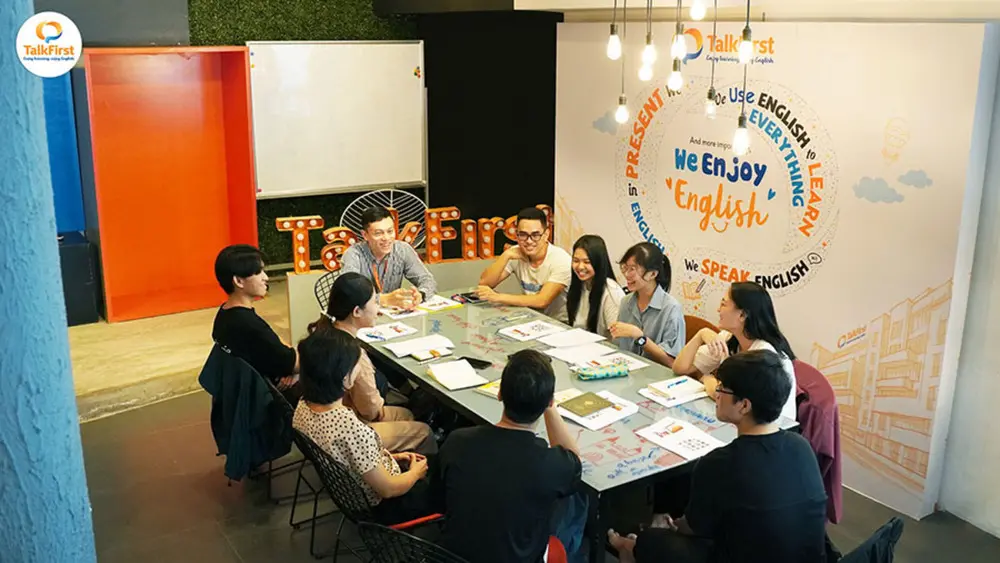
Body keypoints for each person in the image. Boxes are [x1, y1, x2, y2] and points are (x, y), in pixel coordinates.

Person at [607, 350, 828, 563]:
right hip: (806, 557)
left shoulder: (721, 462)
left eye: (723, 389)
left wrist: (673, 525)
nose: (717, 394)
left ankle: (629, 548)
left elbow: (693, 529)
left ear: (744, 405)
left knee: (652, 539)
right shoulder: (801, 446)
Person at [430, 350, 585, 563]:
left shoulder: (457, 441)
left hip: (452, 558)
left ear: (500, 393)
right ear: (549, 402)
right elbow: (574, 459)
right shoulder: (552, 465)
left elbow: (438, 501)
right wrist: (549, 405)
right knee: (575, 498)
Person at [292, 329, 434, 525]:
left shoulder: (303, 406)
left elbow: (350, 458)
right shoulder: (350, 429)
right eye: (356, 365)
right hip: (384, 506)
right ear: (345, 378)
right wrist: (415, 473)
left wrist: (389, 457)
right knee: (446, 476)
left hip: (352, 495)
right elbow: (388, 489)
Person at [308, 272, 436, 455]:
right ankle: (410, 468)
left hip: (323, 421)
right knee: (424, 432)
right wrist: (378, 407)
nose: (378, 308)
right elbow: (370, 411)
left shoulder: (321, 332)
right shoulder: (354, 355)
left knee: (407, 414)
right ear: (356, 311)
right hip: (349, 430)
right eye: (375, 302)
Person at [672, 281, 798, 421]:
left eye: (723, 304)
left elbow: (730, 400)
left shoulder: (764, 354)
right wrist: (701, 334)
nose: (718, 310)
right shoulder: (729, 338)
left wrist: (706, 379)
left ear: (742, 315)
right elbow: (680, 368)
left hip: (770, 427)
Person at [211, 245, 299, 393]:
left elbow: (277, 347)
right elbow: (294, 363)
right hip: (266, 398)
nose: (266, 278)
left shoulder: (225, 314)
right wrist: (293, 369)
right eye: (258, 272)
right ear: (239, 281)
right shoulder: (249, 325)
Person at [475, 207, 573, 322]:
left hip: (559, 323)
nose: (529, 241)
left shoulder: (561, 259)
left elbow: (542, 300)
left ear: (546, 234)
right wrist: (505, 255)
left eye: (535, 235)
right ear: (516, 235)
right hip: (531, 318)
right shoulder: (515, 253)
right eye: (523, 235)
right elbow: (485, 283)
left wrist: (497, 297)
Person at [341, 206, 437, 311]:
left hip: (392, 315)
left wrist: (420, 295)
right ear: (365, 235)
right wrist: (383, 299)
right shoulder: (353, 255)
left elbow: (427, 279)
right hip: (362, 315)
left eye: (390, 231)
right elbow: (349, 293)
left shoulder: (402, 249)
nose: (386, 238)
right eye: (378, 233)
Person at [609, 242, 685, 368]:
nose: (626, 275)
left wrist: (640, 337)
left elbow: (673, 363)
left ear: (652, 274)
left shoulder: (671, 308)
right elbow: (618, 348)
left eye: (632, 269)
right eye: (625, 268)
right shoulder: (625, 302)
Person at [567, 235, 626, 338]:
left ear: (598, 262)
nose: (580, 267)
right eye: (576, 261)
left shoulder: (611, 291)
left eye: (587, 262)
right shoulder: (579, 284)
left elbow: (618, 337)